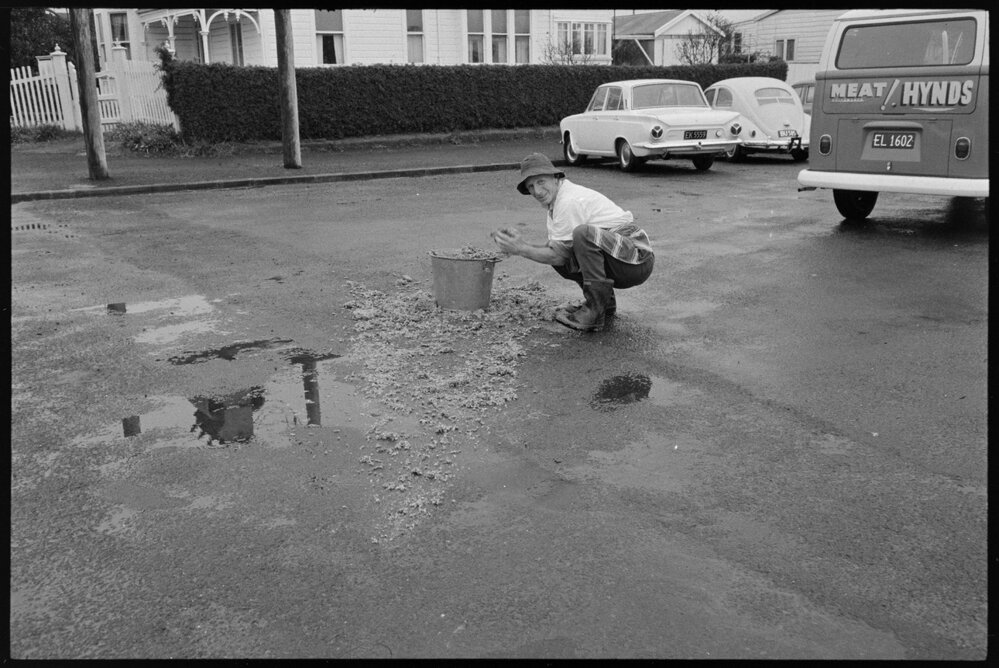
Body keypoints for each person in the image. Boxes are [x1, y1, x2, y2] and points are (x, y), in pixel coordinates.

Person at [491, 153, 654, 332]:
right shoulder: (556, 202)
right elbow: (556, 252)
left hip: (636, 260)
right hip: (623, 258)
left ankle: (594, 312)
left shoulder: (568, 201)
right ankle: (603, 304)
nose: (536, 191)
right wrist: (520, 244)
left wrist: (521, 248)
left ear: (555, 178)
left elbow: (559, 255)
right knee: (556, 249)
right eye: (531, 186)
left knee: (581, 235)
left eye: (541, 182)